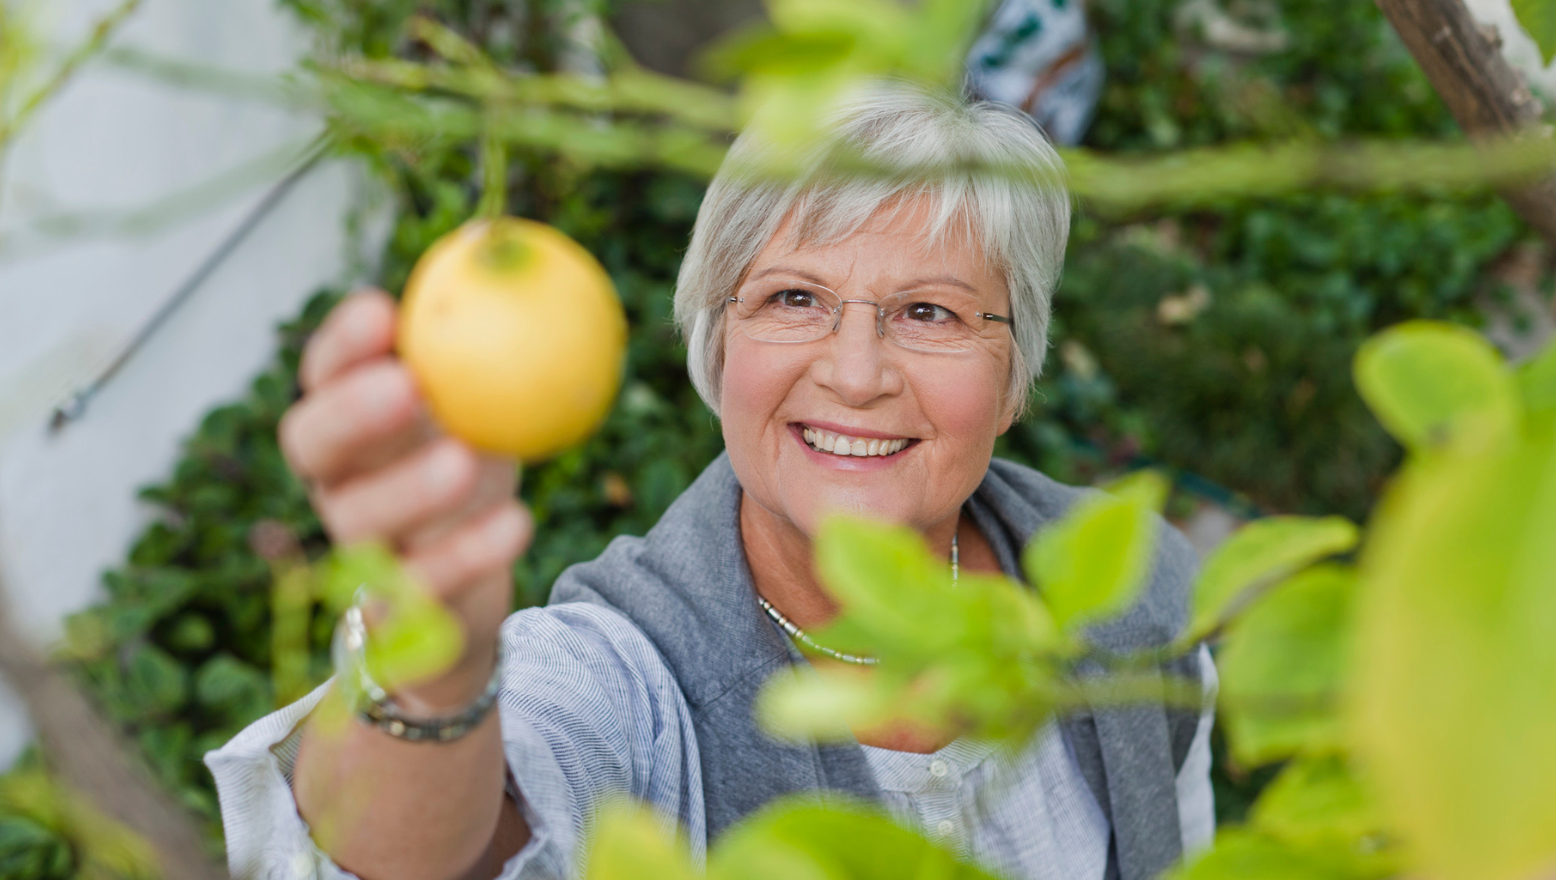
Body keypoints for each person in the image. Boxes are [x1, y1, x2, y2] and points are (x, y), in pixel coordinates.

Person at [206, 82, 1216, 880]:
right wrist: (433, 653)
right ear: (716, 346)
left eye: (928, 313)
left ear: (1011, 377)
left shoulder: (1126, 586)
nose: (855, 373)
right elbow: (396, 859)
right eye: (792, 297)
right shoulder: (632, 668)